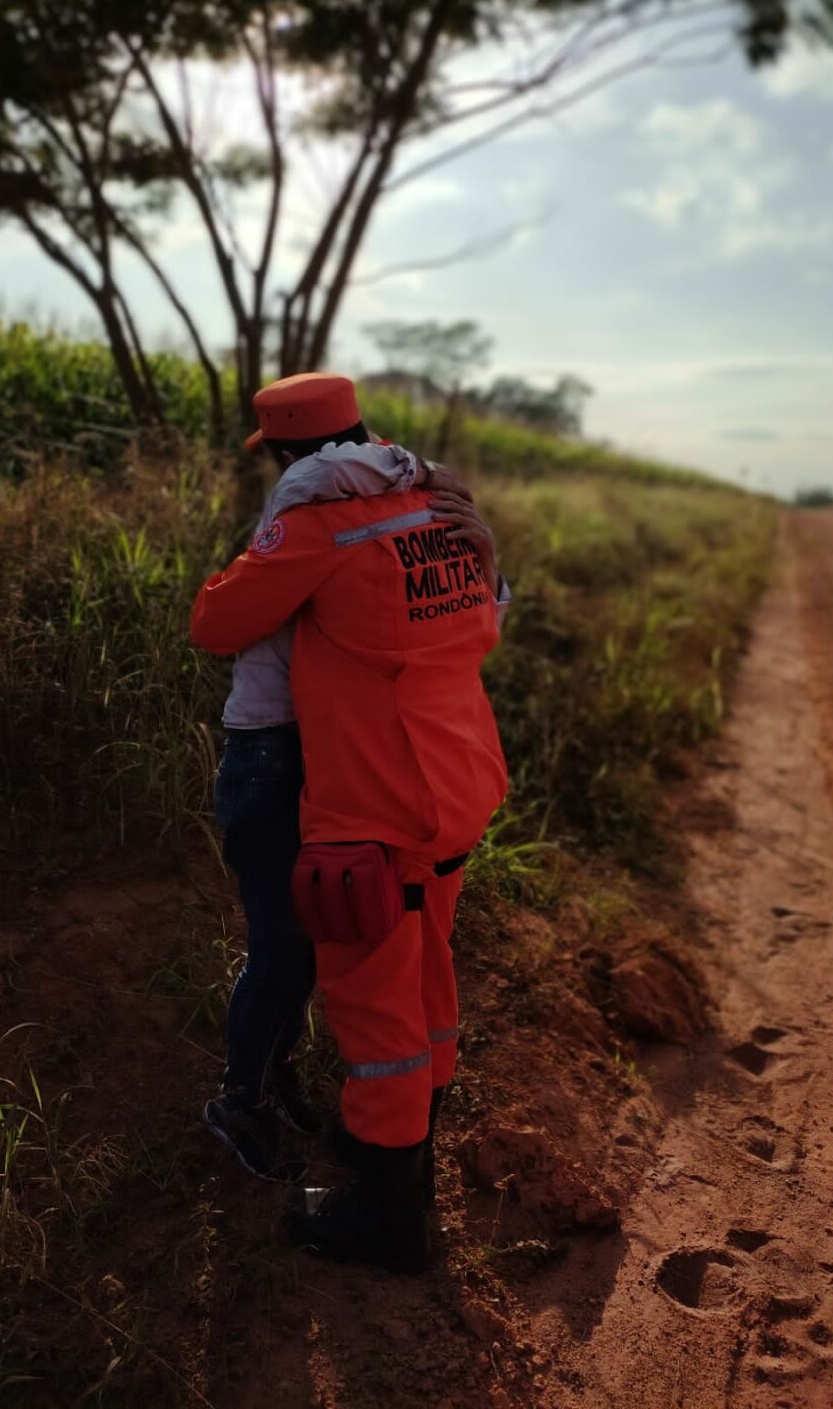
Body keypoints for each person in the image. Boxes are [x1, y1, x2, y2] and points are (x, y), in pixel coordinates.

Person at [191, 372, 508, 1272]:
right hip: (459, 777)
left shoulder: (323, 523)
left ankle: (386, 1210)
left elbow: (216, 623)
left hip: (378, 798)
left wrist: (256, 554)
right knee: (428, 976)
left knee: (374, 1012)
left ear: (288, 454)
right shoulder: (446, 509)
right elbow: (487, 615)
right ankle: (417, 1162)